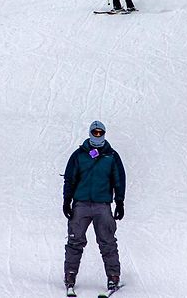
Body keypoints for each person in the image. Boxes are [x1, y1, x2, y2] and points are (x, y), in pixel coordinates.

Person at [63, 121, 126, 295]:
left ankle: (113, 276)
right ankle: (70, 275)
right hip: (81, 205)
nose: (97, 136)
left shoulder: (111, 156)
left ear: (104, 134)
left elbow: (119, 179)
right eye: (95, 133)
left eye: (100, 133)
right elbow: (70, 178)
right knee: (75, 241)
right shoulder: (79, 155)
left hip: (102, 205)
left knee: (107, 242)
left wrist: (119, 202)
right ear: (90, 133)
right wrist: (67, 200)